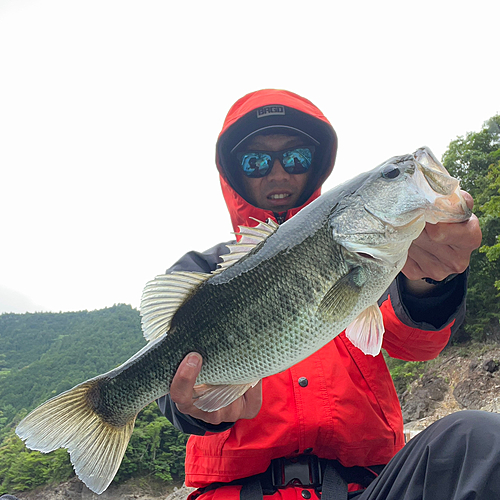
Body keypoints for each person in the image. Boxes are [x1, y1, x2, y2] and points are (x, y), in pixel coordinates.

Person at [158, 89, 495, 499]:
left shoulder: (378, 253)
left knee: (479, 441)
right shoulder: (204, 274)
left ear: (317, 165)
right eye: (256, 161)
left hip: (371, 488)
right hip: (234, 492)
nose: (278, 174)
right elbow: (168, 380)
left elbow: (414, 343)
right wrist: (199, 409)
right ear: (233, 172)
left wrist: (432, 276)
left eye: (296, 157)